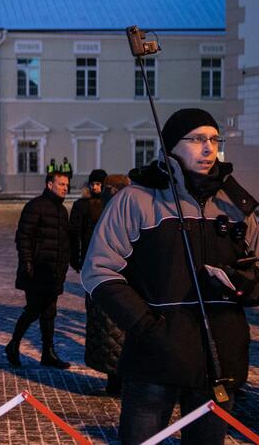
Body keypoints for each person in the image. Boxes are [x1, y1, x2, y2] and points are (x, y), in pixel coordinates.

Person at [82, 108, 259, 444]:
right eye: (196, 139)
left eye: (213, 139)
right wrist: (145, 325)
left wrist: (246, 285)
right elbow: (99, 269)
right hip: (156, 356)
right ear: (172, 147)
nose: (208, 148)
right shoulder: (137, 199)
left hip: (219, 358)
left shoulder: (237, 204)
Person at [6, 171, 70, 369]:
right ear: (49, 184)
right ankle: (13, 344)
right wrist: (27, 263)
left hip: (54, 272)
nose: (65, 188)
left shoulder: (62, 210)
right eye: (61, 184)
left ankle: (48, 353)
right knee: (33, 310)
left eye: (67, 185)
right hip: (36, 271)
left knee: (49, 312)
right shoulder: (35, 207)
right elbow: (23, 237)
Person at [82, 174, 130, 397]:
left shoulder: (104, 212)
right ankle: (118, 382)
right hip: (113, 284)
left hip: (107, 284)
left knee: (113, 338)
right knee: (115, 338)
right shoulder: (125, 212)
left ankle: (116, 383)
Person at [69, 169, 107, 273]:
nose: (94, 187)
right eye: (92, 184)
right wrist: (75, 256)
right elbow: (74, 231)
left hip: (106, 253)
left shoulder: (109, 204)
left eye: (98, 184)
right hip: (87, 252)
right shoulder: (81, 204)